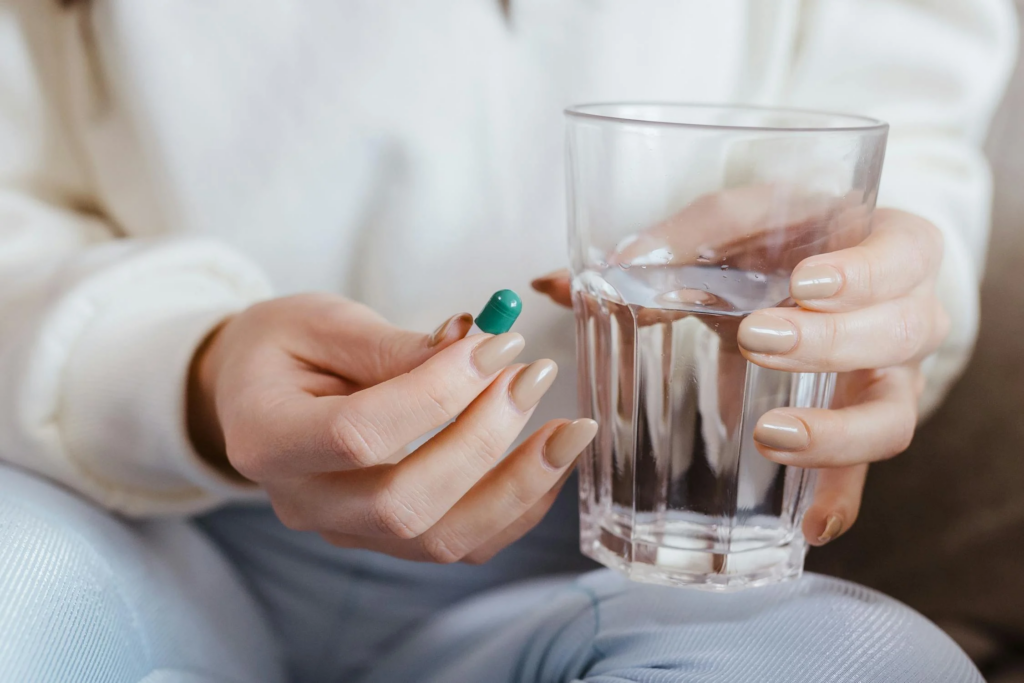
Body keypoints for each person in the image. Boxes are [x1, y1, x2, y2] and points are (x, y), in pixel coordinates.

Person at [0, 1, 1015, 681]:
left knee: (867, 664)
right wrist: (189, 366)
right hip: (143, 532)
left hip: (612, 570)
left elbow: (899, 122)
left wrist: (855, 285)